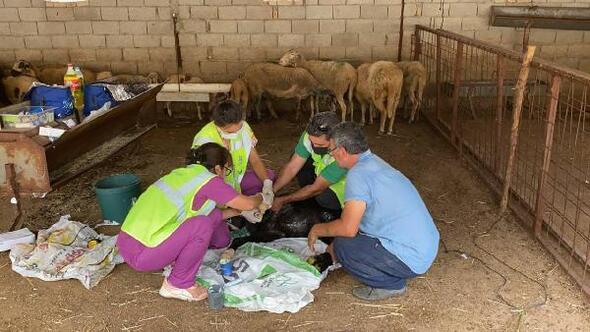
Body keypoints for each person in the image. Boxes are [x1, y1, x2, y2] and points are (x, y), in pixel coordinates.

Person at [117, 143, 268, 302]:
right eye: (226, 170)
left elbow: (209, 214)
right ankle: (177, 284)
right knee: (201, 225)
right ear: (217, 168)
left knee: (204, 221)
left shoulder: (182, 175)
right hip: (143, 254)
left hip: (129, 244)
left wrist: (238, 212)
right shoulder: (209, 180)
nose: (225, 174)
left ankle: (176, 264)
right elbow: (248, 204)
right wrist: (261, 197)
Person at [307, 122, 440, 301]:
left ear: (342, 151)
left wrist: (317, 229)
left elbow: (348, 229)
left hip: (411, 257)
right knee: (343, 241)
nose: (331, 155)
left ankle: (390, 285)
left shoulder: (357, 175)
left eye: (331, 150)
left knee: (344, 246)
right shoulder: (374, 163)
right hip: (425, 248)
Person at [192, 99, 274, 199]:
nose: (236, 134)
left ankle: (244, 199)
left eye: (238, 129)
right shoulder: (205, 141)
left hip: (235, 180)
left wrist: (267, 184)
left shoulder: (244, 128)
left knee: (269, 176)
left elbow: (255, 159)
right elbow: (205, 180)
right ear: (218, 125)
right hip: (214, 187)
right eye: (229, 132)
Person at [271, 112, 346, 213]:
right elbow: (292, 166)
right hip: (323, 173)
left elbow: (317, 188)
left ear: (335, 140)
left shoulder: (344, 153)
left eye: (320, 144)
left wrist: (283, 200)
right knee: (300, 160)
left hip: (343, 188)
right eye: (312, 142)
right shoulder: (311, 135)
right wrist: (272, 191)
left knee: (324, 198)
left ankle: (332, 212)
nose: (314, 146)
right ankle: (307, 195)